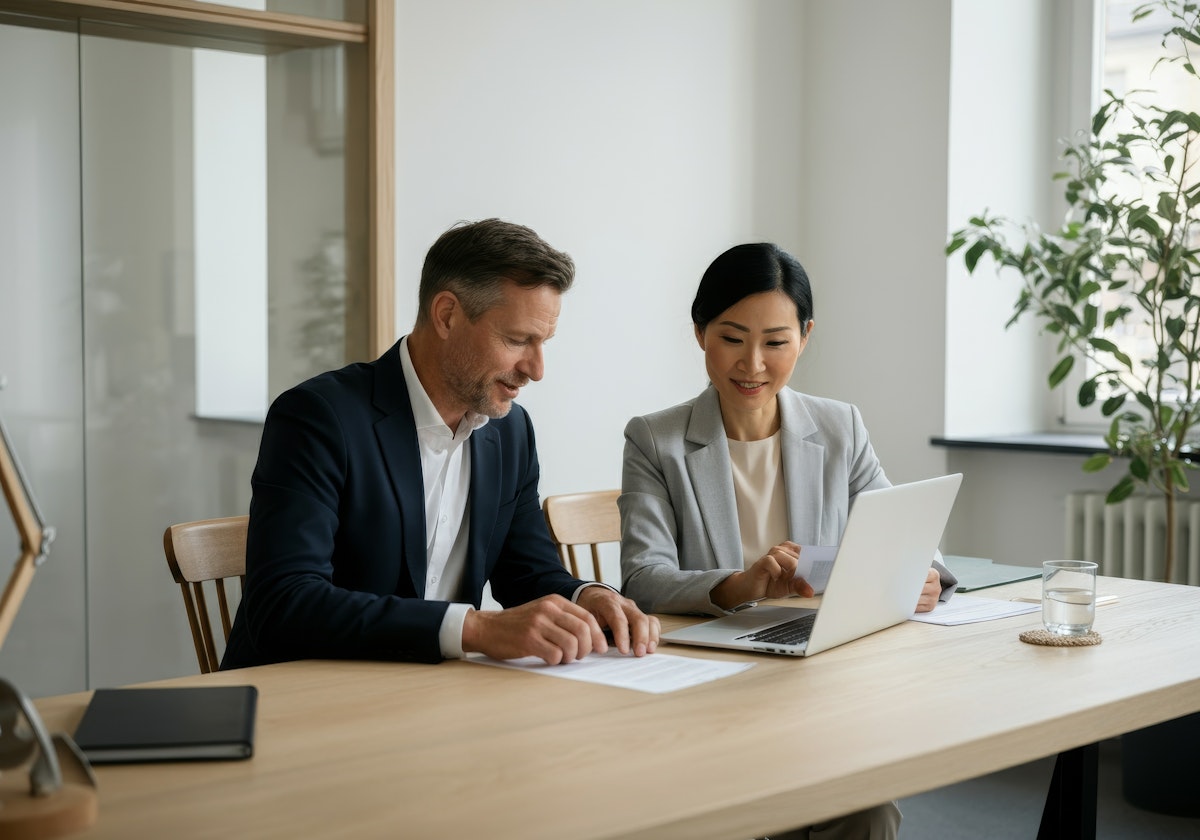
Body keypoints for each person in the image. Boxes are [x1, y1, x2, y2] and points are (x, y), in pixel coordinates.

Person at [618, 242, 954, 839]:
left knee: (869, 809)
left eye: (775, 342)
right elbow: (643, 578)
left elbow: (904, 532)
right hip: (707, 683)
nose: (752, 364)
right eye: (731, 338)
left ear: (805, 337)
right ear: (699, 333)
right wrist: (738, 584)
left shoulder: (839, 426)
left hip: (818, 676)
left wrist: (920, 575)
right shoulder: (655, 439)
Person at [222, 218, 659, 670]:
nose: (536, 369)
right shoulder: (318, 417)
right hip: (300, 690)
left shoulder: (511, 431)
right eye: (517, 340)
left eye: (543, 342)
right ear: (447, 315)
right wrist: (476, 629)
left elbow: (526, 571)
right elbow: (284, 603)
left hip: (434, 689)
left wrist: (586, 597)